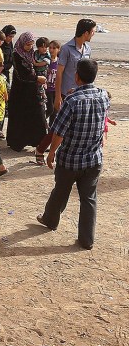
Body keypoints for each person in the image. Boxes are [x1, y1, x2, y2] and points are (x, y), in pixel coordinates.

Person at [37, 58, 108, 250]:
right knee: (89, 199)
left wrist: (51, 153)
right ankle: (87, 240)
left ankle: (50, 220)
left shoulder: (72, 101)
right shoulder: (103, 96)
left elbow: (59, 132)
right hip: (93, 159)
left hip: (70, 159)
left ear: (76, 76)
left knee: (60, 191)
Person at [6, 31, 48, 157]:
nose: (30, 47)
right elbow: (21, 74)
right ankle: (18, 143)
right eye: (27, 45)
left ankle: (40, 143)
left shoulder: (31, 54)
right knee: (20, 118)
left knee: (37, 116)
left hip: (32, 91)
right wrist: (37, 79)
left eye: (31, 44)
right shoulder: (17, 54)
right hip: (20, 93)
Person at [54, 18, 95, 114]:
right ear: (86, 33)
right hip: (67, 95)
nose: (93, 34)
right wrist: (57, 96)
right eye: (92, 32)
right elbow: (59, 73)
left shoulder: (87, 49)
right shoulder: (66, 49)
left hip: (82, 94)